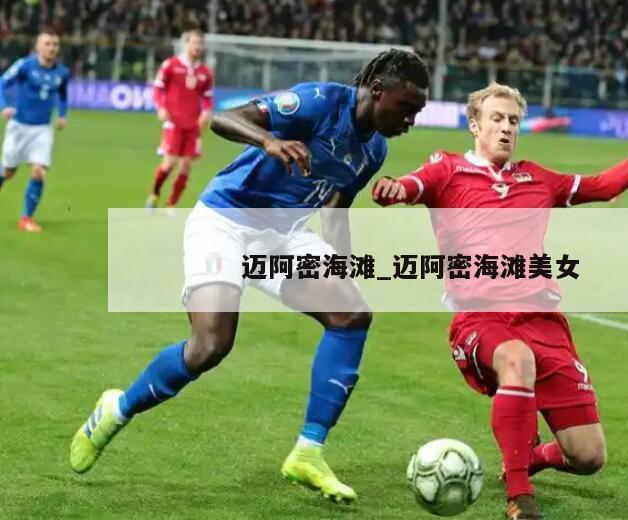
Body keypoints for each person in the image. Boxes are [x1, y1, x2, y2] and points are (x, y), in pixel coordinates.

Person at [70, 49, 429, 504]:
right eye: (407, 108)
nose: (411, 121)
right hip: (226, 221)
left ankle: (307, 452)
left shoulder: (374, 149)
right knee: (210, 346)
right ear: (377, 90)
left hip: (281, 237)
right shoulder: (318, 102)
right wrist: (269, 142)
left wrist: (341, 267)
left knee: (352, 315)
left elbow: (337, 207)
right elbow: (224, 118)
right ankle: (117, 409)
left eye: (417, 112)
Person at [372, 83, 628, 519]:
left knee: (588, 456)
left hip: (543, 321)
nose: (506, 128)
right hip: (481, 319)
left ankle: (532, 457)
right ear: (474, 125)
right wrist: (394, 188)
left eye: (513, 121)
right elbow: (413, 185)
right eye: (496, 119)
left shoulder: (538, 179)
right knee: (516, 359)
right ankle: (519, 496)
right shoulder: (447, 169)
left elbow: (602, 186)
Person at [0, 28, 69, 232]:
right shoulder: (25, 65)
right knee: (8, 172)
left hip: (42, 129)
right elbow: (2, 82)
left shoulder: (62, 72)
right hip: (19, 127)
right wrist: (4, 106)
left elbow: (63, 95)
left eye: (55, 44)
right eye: (47, 44)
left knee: (39, 172)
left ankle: (26, 219)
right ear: (38, 46)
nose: (52, 48)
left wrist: (62, 115)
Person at [147, 29, 214, 213]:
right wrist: (161, 107)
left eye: (200, 44)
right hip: (174, 122)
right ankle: (154, 194)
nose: (197, 47)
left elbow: (207, 97)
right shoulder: (171, 65)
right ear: (186, 44)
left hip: (193, 125)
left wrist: (206, 111)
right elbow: (158, 88)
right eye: (194, 43)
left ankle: (171, 205)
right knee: (169, 163)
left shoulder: (205, 72)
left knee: (185, 166)